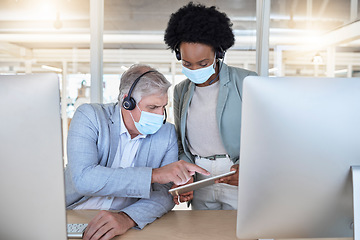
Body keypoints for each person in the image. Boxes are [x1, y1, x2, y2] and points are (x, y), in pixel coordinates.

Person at [64, 64, 209, 240]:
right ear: (127, 102)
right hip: (75, 214)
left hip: (126, 222)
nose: (160, 115)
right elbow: (84, 178)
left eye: (163, 107)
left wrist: (127, 218)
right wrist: (154, 175)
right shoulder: (90, 117)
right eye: (152, 107)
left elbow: (165, 194)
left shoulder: (166, 133)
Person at [164, 2, 257, 210]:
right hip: (200, 176)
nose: (195, 69)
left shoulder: (246, 82)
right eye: (187, 64)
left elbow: (267, 135)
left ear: (218, 53)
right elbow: (182, 141)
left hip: (235, 173)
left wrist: (251, 168)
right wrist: (185, 175)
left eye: (203, 63)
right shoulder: (181, 90)